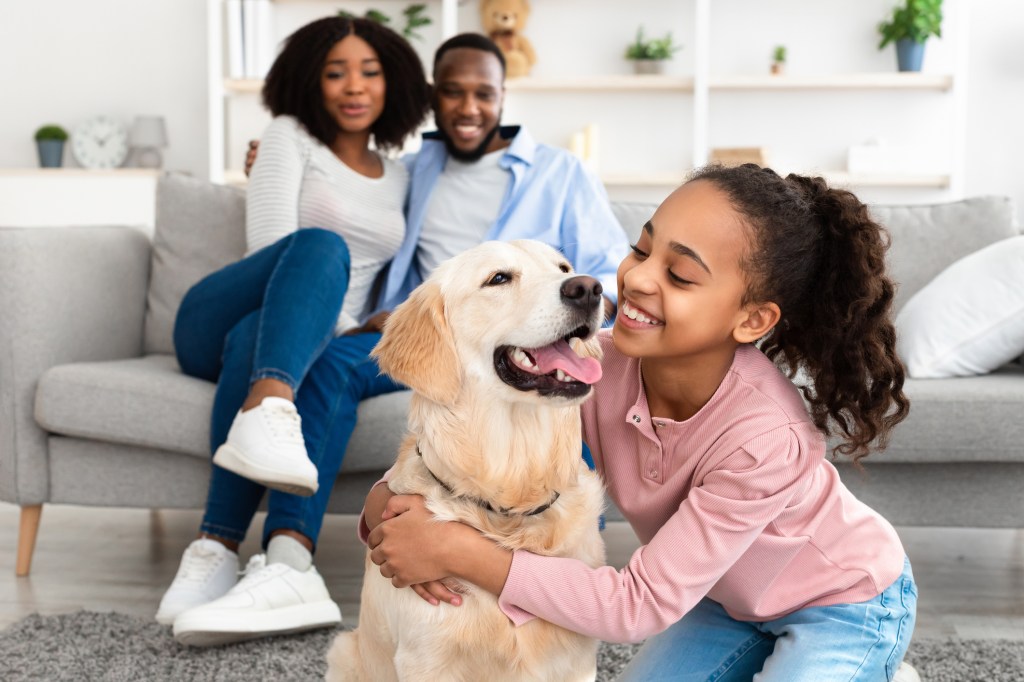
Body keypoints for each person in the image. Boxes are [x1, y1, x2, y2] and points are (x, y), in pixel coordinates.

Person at [160, 32, 629, 645]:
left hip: (522, 343)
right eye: (452, 93)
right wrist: (272, 161)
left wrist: (576, 318)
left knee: (275, 342)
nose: (468, 108)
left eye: (483, 94)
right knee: (325, 364)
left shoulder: (559, 172)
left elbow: (610, 272)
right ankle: (288, 561)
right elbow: (344, 202)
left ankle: (547, 567)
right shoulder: (415, 169)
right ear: (431, 98)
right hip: (428, 330)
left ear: (504, 95)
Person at [364, 164, 919, 681]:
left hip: (845, 601)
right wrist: (383, 500)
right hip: (721, 602)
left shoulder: (766, 439)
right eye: (641, 249)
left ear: (751, 319)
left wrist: (461, 553)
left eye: (678, 275)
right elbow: (464, 431)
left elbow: (638, 606)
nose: (635, 280)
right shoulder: (594, 368)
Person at [155, 16, 430, 641]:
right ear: (310, 80)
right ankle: (274, 406)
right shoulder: (287, 137)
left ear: (395, 84)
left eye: (369, 72)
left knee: (261, 336)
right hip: (217, 316)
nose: (352, 87)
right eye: (335, 73)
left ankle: (215, 550)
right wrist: (347, 329)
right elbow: (278, 251)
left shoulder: (402, 176)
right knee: (317, 248)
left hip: (262, 338)